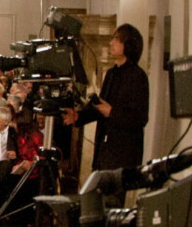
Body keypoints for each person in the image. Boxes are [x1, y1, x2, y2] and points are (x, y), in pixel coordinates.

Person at [62, 23, 150, 174]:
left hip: (123, 154)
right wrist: (78, 117)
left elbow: (140, 118)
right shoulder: (111, 74)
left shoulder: (138, 76)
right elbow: (99, 109)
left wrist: (112, 112)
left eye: (117, 39)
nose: (111, 43)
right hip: (104, 150)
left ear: (128, 45)